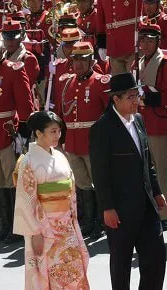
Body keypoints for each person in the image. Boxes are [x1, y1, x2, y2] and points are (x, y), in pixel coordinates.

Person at [13, 110, 110, 290]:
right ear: (38, 133)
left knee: (74, 281)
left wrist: (73, 222)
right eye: (53, 131)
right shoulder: (28, 161)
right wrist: (35, 233)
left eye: (58, 131)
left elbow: (70, 191)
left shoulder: (60, 157)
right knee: (44, 282)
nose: (57, 135)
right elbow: (27, 198)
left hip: (66, 226)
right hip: (44, 229)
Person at [89, 72, 167, 290]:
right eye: (132, 97)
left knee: (156, 255)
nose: (137, 101)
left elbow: (148, 162)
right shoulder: (102, 128)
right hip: (120, 208)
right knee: (122, 261)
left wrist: (156, 191)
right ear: (116, 99)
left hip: (145, 203)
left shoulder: (138, 121)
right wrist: (107, 207)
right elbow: (100, 173)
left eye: (137, 95)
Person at [53, 42, 110, 239]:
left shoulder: (100, 82)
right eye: (74, 60)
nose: (77, 65)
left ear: (91, 61)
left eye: (82, 60)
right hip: (73, 143)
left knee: (98, 182)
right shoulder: (68, 82)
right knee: (83, 183)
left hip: (93, 143)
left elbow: (109, 116)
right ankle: (88, 220)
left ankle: (101, 222)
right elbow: (61, 113)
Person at [0, 29, 33, 244]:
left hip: (6, 131)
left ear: (1, 47)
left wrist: (23, 129)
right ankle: (5, 225)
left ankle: (16, 227)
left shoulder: (13, 69)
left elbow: (25, 102)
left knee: (11, 180)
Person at [136, 21, 167, 231]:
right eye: (142, 39)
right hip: (141, 122)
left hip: (156, 120)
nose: (144, 43)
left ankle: (166, 212)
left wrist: (146, 96)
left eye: (149, 40)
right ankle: (150, 208)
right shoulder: (140, 61)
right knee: (144, 170)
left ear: (157, 41)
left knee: (161, 170)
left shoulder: (166, 63)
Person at [96, 0, 143, 74]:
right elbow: (100, 17)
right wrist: (102, 43)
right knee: (119, 81)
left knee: (134, 80)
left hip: (133, 43)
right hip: (114, 46)